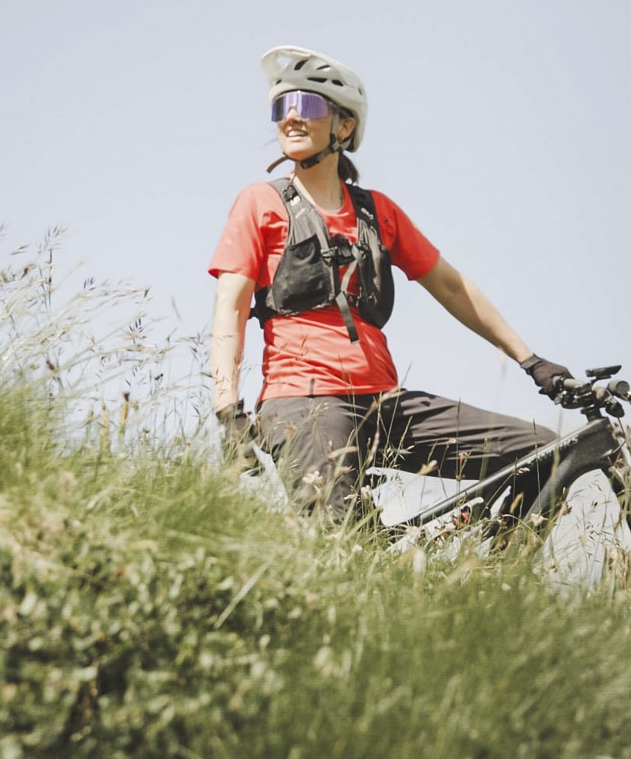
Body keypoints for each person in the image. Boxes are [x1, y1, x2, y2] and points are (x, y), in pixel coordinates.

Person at [208, 45, 571, 518]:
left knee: (549, 453)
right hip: (304, 405)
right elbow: (229, 310)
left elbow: (452, 288)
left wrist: (532, 362)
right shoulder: (259, 203)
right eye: (282, 108)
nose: (291, 119)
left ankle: (482, 580)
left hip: (385, 404)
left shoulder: (377, 212)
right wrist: (227, 411)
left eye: (308, 106)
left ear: (344, 125)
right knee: (345, 546)